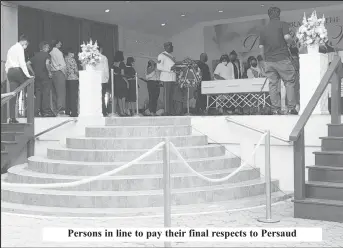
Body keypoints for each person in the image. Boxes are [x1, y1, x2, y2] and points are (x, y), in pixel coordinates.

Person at [259, 7, 298, 115]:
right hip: (282, 59)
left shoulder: (263, 29)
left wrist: (264, 59)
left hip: (269, 61)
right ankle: (291, 108)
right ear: (279, 14)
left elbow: (261, 47)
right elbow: (286, 37)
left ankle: (275, 109)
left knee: (273, 84)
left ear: (269, 15)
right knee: (289, 82)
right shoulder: (283, 24)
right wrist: (293, 42)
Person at [5, 34, 34, 123]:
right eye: (26, 45)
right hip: (17, 71)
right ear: (24, 42)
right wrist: (28, 75)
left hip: (10, 72)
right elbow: (22, 63)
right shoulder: (20, 48)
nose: (26, 47)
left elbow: (7, 64)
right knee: (28, 83)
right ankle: (30, 99)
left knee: (13, 94)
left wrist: (8, 73)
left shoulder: (11, 48)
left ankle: (12, 118)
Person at [27, 41, 54, 117]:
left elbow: (28, 63)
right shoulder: (47, 55)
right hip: (45, 76)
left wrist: (33, 72)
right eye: (48, 47)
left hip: (37, 77)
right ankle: (45, 111)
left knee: (38, 94)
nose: (48, 49)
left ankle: (36, 111)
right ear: (44, 47)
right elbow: (47, 63)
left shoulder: (35, 55)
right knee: (46, 93)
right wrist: (49, 72)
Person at [157, 41, 177, 115]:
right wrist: (170, 69)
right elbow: (159, 67)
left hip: (172, 78)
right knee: (166, 95)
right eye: (170, 46)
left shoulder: (171, 56)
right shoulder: (161, 55)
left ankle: (171, 111)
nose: (172, 47)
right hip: (166, 78)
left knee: (171, 96)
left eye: (172, 46)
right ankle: (166, 111)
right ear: (166, 47)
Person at [50, 40, 67, 116]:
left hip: (53, 73)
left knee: (54, 92)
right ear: (56, 44)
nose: (61, 44)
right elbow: (62, 65)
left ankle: (54, 110)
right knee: (61, 92)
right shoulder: (58, 52)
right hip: (59, 72)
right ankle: (61, 110)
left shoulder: (50, 52)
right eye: (60, 42)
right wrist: (65, 74)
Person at [112, 50, 128, 116]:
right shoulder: (121, 63)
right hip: (121, 81)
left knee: (118, 97)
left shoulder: (113, 64)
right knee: (123, 97)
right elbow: (122, 74)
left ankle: (120, 111)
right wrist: (127, 82)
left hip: (115, 81)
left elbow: (113, 73)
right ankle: (123, 111)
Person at [95, 45, 110, 117]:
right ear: (101, 49)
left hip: (95, 79)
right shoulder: (104, 58)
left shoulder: (92, 58)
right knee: (103, 96)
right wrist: (107, 78)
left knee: (96, 96)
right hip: (103, 79)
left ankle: (96, 111)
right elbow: (106, 69)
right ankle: (104, 111)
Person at [64, 47, 79, 117]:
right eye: (72, 53)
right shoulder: (72, 60)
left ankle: (67, 111)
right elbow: (75, 70)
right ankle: (74, 112)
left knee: (68, 96)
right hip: (73, 79)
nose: (73, 54)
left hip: (67, 79)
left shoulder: (64, 59)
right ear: (69, 53)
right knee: (73, 96)